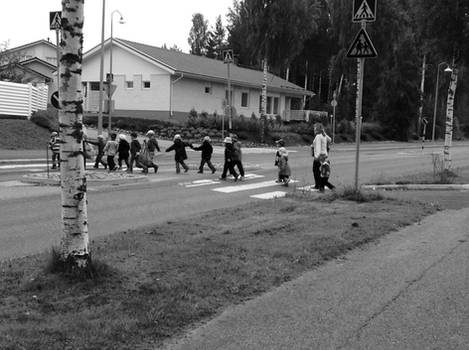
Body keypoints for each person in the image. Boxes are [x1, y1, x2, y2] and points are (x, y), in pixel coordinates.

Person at [311, 123, 334, 192]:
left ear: (317, 129)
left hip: (319, 156)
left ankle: (320, 186)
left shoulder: (318, 136)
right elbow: (330, 140)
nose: (314, 129)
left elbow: (318, 147)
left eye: (315, 128)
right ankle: (321, 186)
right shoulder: (323, 135)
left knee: (316, 171)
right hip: (324, 155)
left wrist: (316, 156)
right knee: (321, 172)